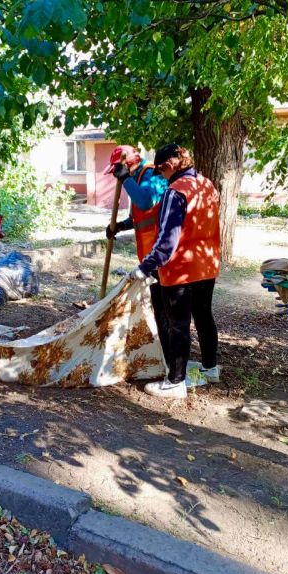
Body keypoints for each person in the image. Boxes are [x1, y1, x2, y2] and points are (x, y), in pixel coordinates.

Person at [131, 144, 221, 399]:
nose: (161, 177)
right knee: (204, 316)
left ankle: (175, 382)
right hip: (207, 263)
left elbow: (167, 241)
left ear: (168, 165)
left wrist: (145, 267)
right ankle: (210, 368)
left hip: (181, 269)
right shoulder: (206, 184)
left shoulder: (175, 192)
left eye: (160, 171)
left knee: (177, 323)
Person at [102, 144, 169, 356]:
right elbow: (137, 216)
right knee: (158, 306)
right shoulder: (138, 178)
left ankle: (169, 355)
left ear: (126, 165)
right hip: (150, 254)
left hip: (163, 253)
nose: (115, 176)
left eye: (116, 171)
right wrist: (120, 226)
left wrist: (126, 179)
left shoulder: (151, 174)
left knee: (165, 308)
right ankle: (163, 350)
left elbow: (146, 201)